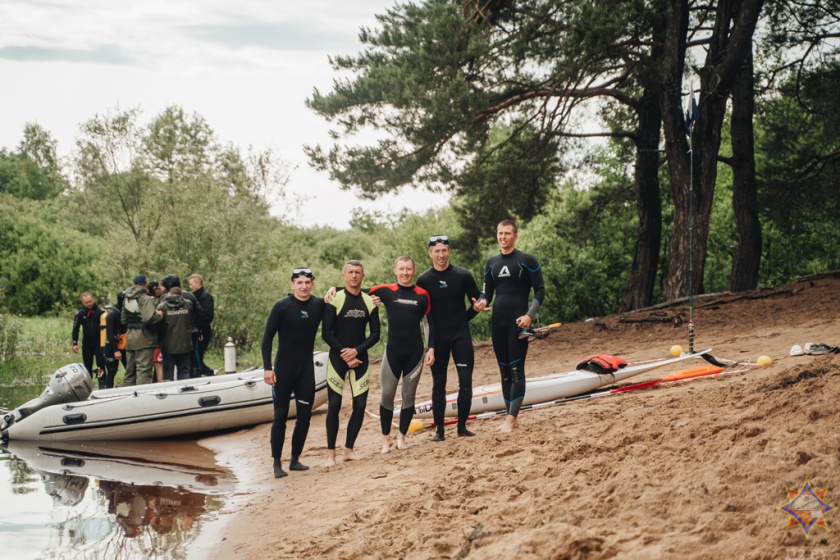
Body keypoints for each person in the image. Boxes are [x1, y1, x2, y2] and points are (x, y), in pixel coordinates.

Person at [474, 220, 546, 433]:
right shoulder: (491, 263)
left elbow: (540, 291)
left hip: (517, 322)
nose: (502, 237)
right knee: (504, 371)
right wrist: (481, 302)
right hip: (498, 323)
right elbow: (487, 293)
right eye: (499, 233)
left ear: (515, 236)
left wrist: (529, 316)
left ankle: (510, 420)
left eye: (507, 233)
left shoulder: (526, 260)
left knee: (516, 370)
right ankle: (511, 418)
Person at [261, 267, 326, 478]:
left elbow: (341, 309)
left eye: (307, 282)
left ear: (312, 284)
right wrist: (267, 369)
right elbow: (267, 337)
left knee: (305, 416)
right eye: (299, 282)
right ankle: (277, 463)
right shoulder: (282, 306)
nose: (304, 286)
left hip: (305, 369)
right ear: (292, 285)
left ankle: (295, 459)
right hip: (283, 369)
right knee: (280, 416)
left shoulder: (318, 305)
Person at [416, 235, 483, 440]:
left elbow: (477, 301)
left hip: (461, 335)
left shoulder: (462, 275)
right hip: (438, 339)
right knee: (439, 384)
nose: (441, 254)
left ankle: (462, 427)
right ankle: (440, 430)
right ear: (430, 253)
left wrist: (474, 310)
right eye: (437, 251)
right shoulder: (424, 280)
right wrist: (431, 345)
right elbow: (424, 315)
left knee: (465, 382)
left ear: (449, 251)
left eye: (444, 250)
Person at [369, 256, 434, 453]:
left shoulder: (422, 294)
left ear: (414, 271)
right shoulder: (385, 291)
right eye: (401, 269)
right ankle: (385, 440)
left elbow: (428, 323)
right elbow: (354, 291)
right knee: (387, 394)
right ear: (395, 270)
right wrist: (333, 290)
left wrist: (430, 348)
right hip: (393, 352)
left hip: (415, 352)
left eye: (408, 269)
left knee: (408, 396)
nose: (405, 273)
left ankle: (401, 438)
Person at [322, 260, 381, 467]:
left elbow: (376, 334)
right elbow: (326, 333)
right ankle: (331, 454)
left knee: (360, 405)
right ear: (344, 275)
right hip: (337, 358)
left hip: (360, 357)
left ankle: (348, 450)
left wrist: (356, 351)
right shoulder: (334, 298)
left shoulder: (370, 301)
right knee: (335, 406)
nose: (354, 275)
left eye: (358, 272)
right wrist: (345, 353)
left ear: (363, 276)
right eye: (350, 272)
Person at [121, 275, 164, 386]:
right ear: (145, 284)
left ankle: (126, 395)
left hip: (130, 339)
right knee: (143, 371)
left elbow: (123, 319)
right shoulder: (145, 298)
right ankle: (142, 397)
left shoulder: (127, 298)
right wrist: (159, 316)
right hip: (144, 339)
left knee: (130, 372)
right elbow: (148, 318)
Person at [157, 287, 195, 381]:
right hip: (185, 343)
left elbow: (158, 325)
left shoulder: (162, 307)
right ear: (181, 295)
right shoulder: (188, 304)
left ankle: (170, 392)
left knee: (168, 372)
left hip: (168, 345)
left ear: (169, 294)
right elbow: (193, 319)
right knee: (184, 371)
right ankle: (185, 391)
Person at [71, 292, 105, 377]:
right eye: (86, 302)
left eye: (90, 301)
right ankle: (89, 384)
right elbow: (75, 329)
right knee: (87, 365)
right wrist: (75, 343)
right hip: (87, 343)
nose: (89, 304)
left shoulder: (101, 312)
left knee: (100, 364)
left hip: (99, 343)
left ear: (93, 299)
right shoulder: (80, 314)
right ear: (83, 303)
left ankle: (101, 382)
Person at [99, 291, 127, 389]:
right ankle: (108, 391)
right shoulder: (112, 315)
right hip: (112, 347)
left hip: (123, 346)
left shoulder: (126, 312)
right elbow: (109, 334)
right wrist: (115, 350)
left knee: (130, 370)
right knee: (111, 371)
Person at [189, 274, 215, 377]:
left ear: (198, 283)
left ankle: (206, 372)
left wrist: (200, 326)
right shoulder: (194, 297)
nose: (190, 286)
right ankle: (202, 371)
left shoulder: (205, 296)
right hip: (196, 330)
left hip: (203, 331)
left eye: (191, 284)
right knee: (196, 355)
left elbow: (208, 315)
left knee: (198, 354)